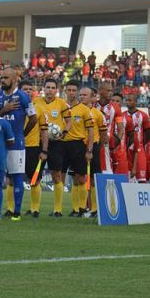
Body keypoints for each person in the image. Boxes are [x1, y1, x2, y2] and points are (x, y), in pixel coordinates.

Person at [0, 67, 37, 220]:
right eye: (1, 77)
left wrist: (23, 133)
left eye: (6, 78)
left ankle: (17, 212)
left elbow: (33, 118)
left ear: (14, 80)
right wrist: (4, 110)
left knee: (17, 176)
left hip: (16, 143)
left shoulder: (23, 97)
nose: (2, 80)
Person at [32, 78, 71, 217]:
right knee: (36, 176)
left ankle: (57, 210)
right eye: (47, 87)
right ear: (43, 89)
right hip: (38, 142)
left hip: (56, 143)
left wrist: (64, 132)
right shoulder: (36, 102)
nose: (50, 90)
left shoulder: (62, 103)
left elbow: (68, 121)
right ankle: (34, 209)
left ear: (56, 90)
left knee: (56, 175)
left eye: (52, 88)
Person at [62, 81, 95, 216]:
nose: (71, 93)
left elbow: (91, 131)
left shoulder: (84, 110)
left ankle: (81, 208)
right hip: (62, 144)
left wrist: (89, 150)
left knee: (80, 178)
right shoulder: (60, 106)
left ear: (77, 92)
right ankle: (71, 209)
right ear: (65, 91)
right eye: (69, 90)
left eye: (74, 90)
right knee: (62, 177)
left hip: (78, 145)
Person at [21, 80, 48, 217]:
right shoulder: (13, 106)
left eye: (30, 89)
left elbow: (44, 131)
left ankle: (34, 209)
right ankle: (11, 209)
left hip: (32, 147)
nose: (28, 91)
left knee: (34, 180)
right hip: (15, 147)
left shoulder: (39, 109)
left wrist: (44, 150)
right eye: (25, 89)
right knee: (11, 180)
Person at [83, 86, 107, 216]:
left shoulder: (98, 114)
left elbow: (103, 134)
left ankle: (94, 209)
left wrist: (96, 147)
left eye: (85, 95)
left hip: (93, 147)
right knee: (79, 178)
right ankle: (81, 208)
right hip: (79, 145)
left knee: (93, 179)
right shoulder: (74, 111)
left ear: (93, 98)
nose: (82, 97)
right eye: (81, 95)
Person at [98, 81, 126, 175]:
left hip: (106, 144)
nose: (110, 93)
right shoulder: (92, 105)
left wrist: (115, 142)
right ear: (101, 91)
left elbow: (121, 129)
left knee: (106, 172)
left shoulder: (116, 108)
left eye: (111, 91)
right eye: (108, 91)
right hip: (92, 143)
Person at [125, 93, 150, 183]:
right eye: (126, 100)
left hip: (139, 150)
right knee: (128, 178)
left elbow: (148, 133)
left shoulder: (143, 115)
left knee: (141, 179)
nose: (127, 102)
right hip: (126, 150)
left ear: (135, 102)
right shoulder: (122, 115)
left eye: (130, 100)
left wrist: (141, 144)